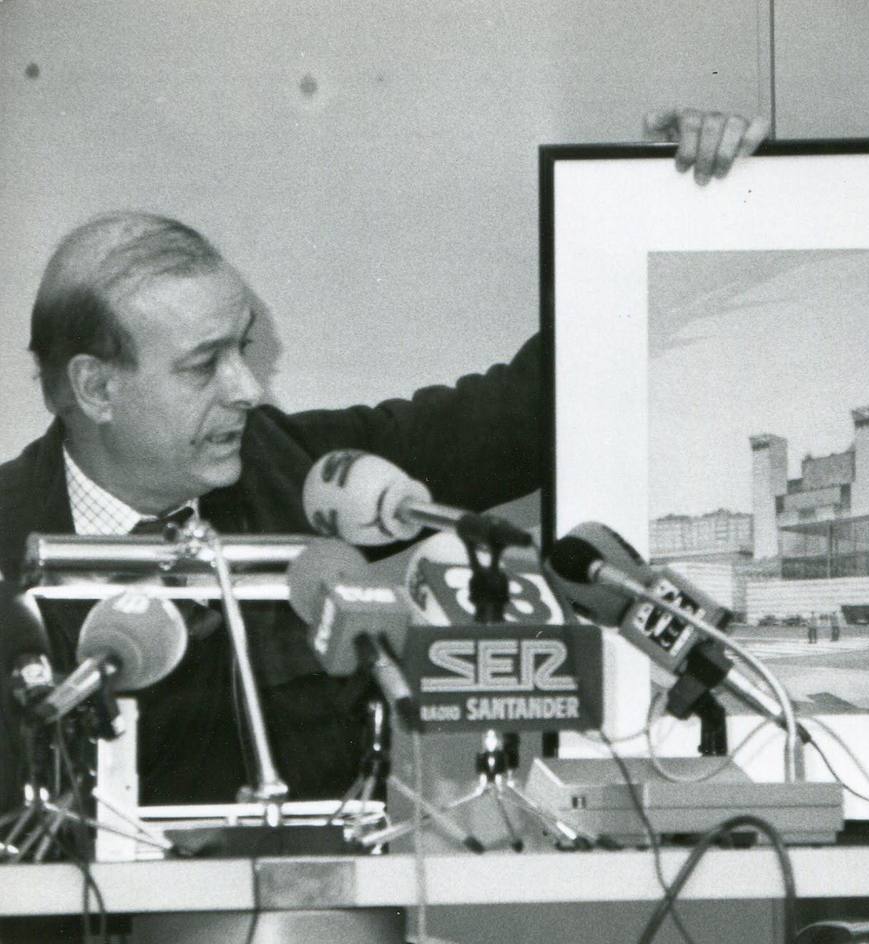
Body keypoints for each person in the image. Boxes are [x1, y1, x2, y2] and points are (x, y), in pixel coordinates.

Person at [0, 108, 770, 815]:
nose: (246, 388)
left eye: (244, 347)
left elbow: (524, 409)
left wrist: (651, 206)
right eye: (205, 366)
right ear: (95, 387)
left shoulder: (308, 472)